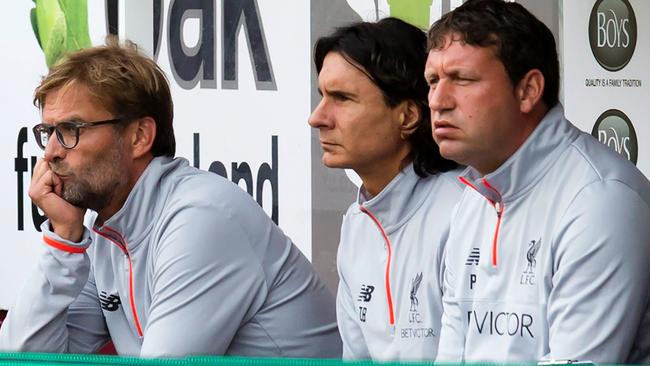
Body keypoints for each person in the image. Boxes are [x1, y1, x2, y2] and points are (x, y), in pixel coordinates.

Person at [0, 39, 342, 358]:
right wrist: (63, 241)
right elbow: (24, 357)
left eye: (71, 130)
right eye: (48, 132)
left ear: (139, 136)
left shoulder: (199, 217)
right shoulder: (109, 229)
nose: (51, 153)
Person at [425, 0, 650, 363]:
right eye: (432, 82)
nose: (438, 100)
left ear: (528, 90)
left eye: (462, 79)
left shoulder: (602, 200)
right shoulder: (473, 199)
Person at [309, 17, 462, 361]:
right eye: (322, 96)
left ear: (407, 116)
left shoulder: (465, 212)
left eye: (342, 98)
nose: (317, 117)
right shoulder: (356, 224)